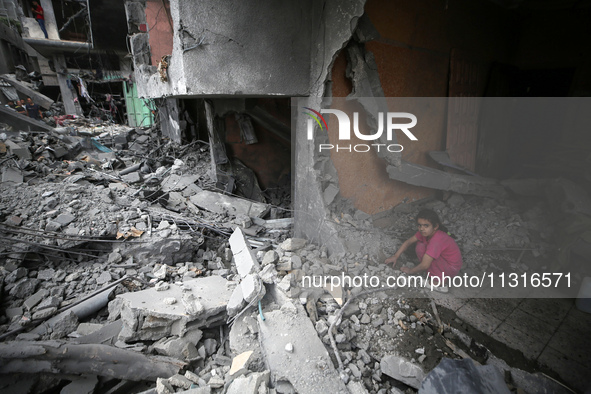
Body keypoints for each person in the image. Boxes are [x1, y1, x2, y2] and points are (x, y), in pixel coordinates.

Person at [385, 209, 463, 292]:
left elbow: (425, 265)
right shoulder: (425, 233)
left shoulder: (437, 240)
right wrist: (395, 256)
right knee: (420, 246)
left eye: (426, 225)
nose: (422, 229)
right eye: (419, 225)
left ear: (435, 226)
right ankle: (435, 273)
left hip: (451, 268)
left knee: (425, 252)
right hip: (445, 262)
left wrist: (410, 271)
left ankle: (439, 282)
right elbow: (408, 242)